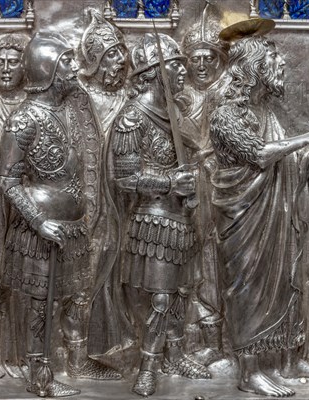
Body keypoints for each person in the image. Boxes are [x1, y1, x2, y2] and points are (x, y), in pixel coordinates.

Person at [0, 31, 121, 397]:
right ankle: (40, 376)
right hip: (40, 230)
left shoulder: (72, 108)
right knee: (41, 305)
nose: (75, 66)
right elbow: (8, 180)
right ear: (47, 68)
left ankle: (76, 360)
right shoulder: (23, 120)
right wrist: (39, 220)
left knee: (75, 296)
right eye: (67, 60)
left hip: (74, 227)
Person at [209, 35, 309, 397]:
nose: (281, 69)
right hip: (244, 220)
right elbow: (259, 155)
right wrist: (302, 140)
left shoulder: (269, 113)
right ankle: (250, 371)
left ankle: (288, 359)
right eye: (274, 63)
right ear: (254, 71)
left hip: (276, 215)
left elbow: (282, 160)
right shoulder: (226, 115)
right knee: (249, 289)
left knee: (285, 282)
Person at [110, 32, 210, 397]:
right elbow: (125, 178)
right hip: (153, 220)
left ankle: (176, 353)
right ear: (154, 72)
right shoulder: (132, 119)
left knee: (182, 291)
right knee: (160, 297)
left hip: (183, 218)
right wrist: (170, 182)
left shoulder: (176, 112)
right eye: (176, 66)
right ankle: (148, 366)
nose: (184, 72)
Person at [177, 6, 229, 366]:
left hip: (223, 192)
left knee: (214, 264)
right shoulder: (178, 98)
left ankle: (216, 339)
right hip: (184, 193)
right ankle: (186, 338)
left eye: (208, 57)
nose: (201, 65)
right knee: (187, 264)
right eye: (194, 58)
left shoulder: (229, 95)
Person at [0, 32, 30, 380]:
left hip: (26, 206)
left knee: (23, 280)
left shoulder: (31, 105)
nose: (5, 69)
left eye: (13, 63)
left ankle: (19, 355)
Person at [76, 8, 129, 136]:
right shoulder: (80, 98)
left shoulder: (127, 95)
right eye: (112, 54)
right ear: (95, 64)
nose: (122, 59)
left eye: (122, 52)